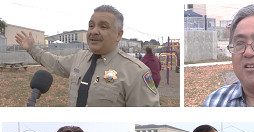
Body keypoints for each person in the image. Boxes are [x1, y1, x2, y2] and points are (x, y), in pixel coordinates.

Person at [15, 5, 159, 107]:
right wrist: (32, 48)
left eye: (103, 27)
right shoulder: (79, 58)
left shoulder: (136, 71)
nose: (94, 31)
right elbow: (55, 63)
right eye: (91, 26)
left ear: (118, 34)